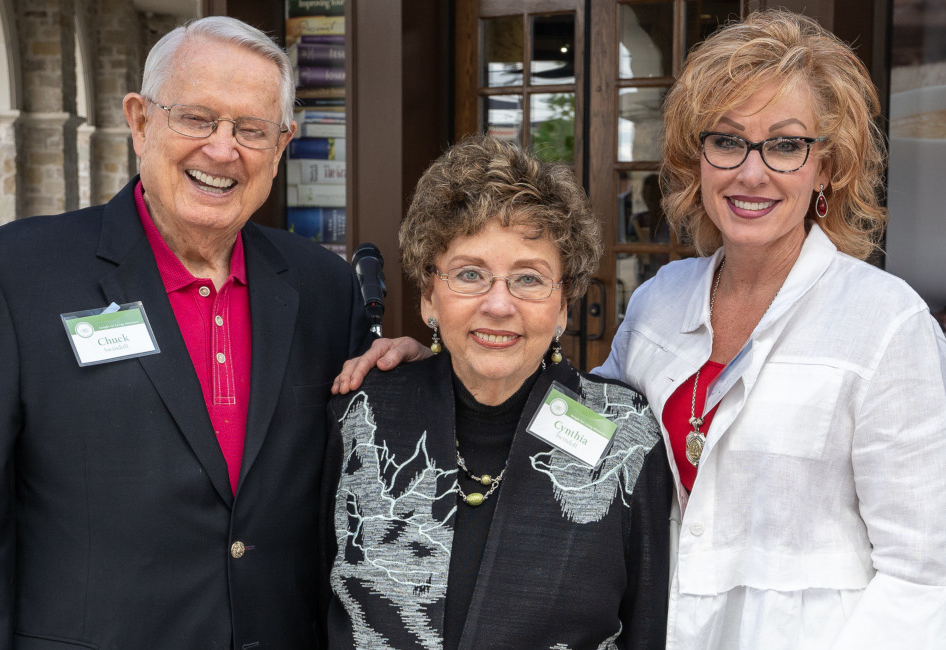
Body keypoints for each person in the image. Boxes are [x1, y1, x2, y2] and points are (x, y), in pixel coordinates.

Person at [0, 17, 371, 649]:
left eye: (251, 129)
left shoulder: (324, 288)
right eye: (197, 118)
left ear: (282, 144)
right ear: (140, 120)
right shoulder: (14, 278)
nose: (222, 149)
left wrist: (421, 371)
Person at [593, 10, 946, 649]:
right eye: (727, 141)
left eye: (785, 145)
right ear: (695, 158)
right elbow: (578, 433)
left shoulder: (886, 325)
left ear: (828, 167)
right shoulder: (657, 303)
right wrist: (443, 362)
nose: (750, 173)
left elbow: (923, 575)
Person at [324, 135, 672, 649]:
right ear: (428, 297)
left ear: (563, 308)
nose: (498, 304)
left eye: (529, 280)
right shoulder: (363, 413)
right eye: (469, 275)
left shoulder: (625, 434)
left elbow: (647, 626)